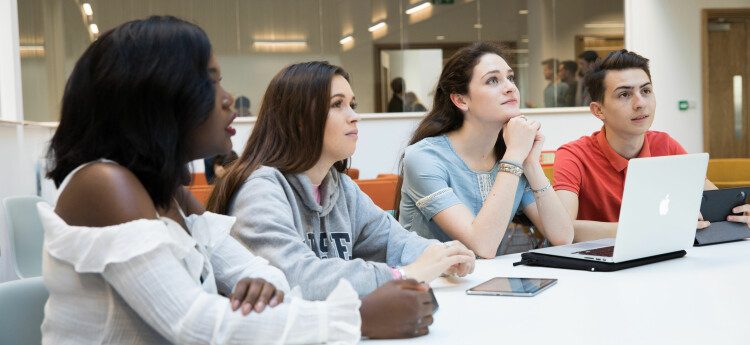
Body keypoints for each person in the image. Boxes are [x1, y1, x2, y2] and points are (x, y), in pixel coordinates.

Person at [41, 16, 362, 344]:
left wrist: (264, 286)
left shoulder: (171, 196)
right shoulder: (105, 184)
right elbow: (198, 325)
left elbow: (264, 274)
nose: (228, 98)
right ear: (157, 95)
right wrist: (351, 318)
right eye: (211, 83)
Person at [207, 61, 475, 338]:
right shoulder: (259, 189)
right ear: (298, 118)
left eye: (352, 105)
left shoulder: (340, 186)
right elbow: (297, 279)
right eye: (337, 104)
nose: (354, 116)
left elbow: (393, 240)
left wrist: (442, 255)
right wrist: (404, 275)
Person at [396, 43, 574, 259]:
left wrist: (530, 163)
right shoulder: (424, 157)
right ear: (461, 100)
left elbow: (563, 237)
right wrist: (515, 156)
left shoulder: (512, 153)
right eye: (492, 80)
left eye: (510, 77)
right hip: (428, 286)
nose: (510, 87)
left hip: (484, 283)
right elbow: (482, 246)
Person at [553, 49, 750, 242]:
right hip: (599, 269)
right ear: (598, 110)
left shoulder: (665, 145)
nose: (640, 103)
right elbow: (564, 228)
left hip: (661, 264)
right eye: (624, 95)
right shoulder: (573, 155)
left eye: (646, 91)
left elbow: (716, 205)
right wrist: (654, 227)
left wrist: (738, 214)